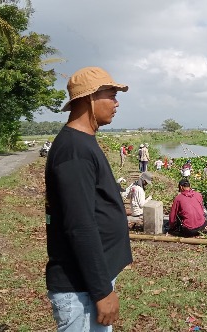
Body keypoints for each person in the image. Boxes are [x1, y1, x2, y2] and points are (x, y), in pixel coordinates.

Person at [44, 66, 132, 330]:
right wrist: (102, 292)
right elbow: (80, 226)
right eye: (111, 94)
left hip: (90, 283)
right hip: (81, 289)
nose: (116, 103)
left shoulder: (83, 142)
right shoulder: (74, 151)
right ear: (89, 98)